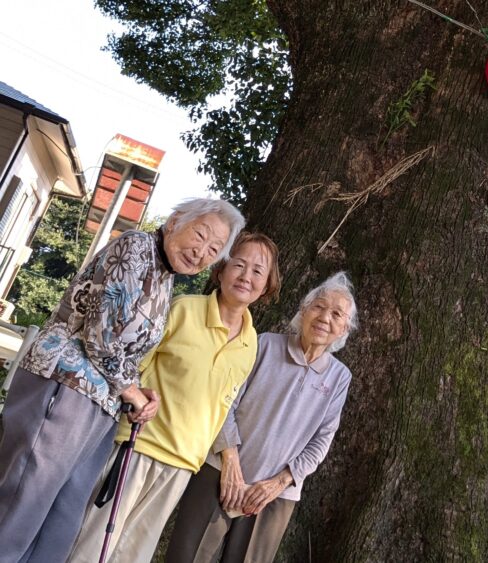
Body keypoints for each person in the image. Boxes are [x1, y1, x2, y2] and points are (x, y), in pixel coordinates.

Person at [0, 198, 244, 563]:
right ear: (176, 219)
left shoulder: (166, 280)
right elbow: (102, 336)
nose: (202, 252)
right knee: (24, 499)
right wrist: (132, 391)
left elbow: (127, 354)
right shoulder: (135, 246)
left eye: (213, 249)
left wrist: (138, 391)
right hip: (64, 384)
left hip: (103, 403)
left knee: (63, 516)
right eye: (200, 234)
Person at [68, 232, 281, 563]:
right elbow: (133, 368)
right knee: (92, 546)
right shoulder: (182, 309)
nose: (245, 276)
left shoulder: (251, 342)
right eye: (238, 264)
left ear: (267, 285)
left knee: (134, 555)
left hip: (182, 465)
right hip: (138, 446)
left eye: (257, 271)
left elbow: (222, 404)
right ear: (220, 270)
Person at [165, 272, 357, 563]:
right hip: (220, 471)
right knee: (187, 557)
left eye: (336, 313)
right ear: (303, 310)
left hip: (275, 495)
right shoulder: (264, 345)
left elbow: (322, 439)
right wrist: (229, 460)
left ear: (344, 329)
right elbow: (225, 400)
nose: (324, 317)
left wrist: (280, 482)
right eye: (318, 306)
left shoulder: (340, 377)